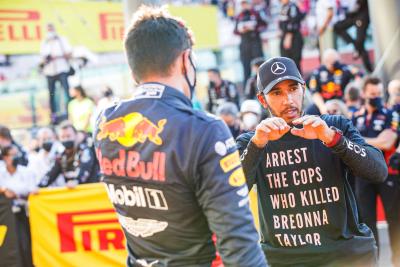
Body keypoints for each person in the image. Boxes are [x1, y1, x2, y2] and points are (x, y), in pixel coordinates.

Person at [94, 6, 266, 267]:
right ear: (187, 60)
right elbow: (238, 243)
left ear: (133, 71)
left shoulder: (105, 122)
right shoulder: (204, 128)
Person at [237, 56, 387, 266]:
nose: (288, 99)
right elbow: (232, 191)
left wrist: (331, 138)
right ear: (262, 100)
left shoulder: (333, 126)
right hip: (285, 259)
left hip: (346, 255)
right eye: (276, 93)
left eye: (293, 88)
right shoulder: (252, 141)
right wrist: (256, 145)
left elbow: (378, 170)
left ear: (304, 89)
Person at [352, 77, 400, 266]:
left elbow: (387, 142)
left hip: (388, 174)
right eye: (373, 94)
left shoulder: (391, 114)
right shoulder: (355, 116)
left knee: (395, 221)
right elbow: (349, 143)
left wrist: (359, 141)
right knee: (367, 223)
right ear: (364, 94)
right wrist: (374, 140)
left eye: (379, 94)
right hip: (362, 176)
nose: (376, 97)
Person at [0, 145, 36, 267]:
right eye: (12, 155)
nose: (15, 158)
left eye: (17, 154)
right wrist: (4, 190)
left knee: (25, 243)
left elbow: (33, 191)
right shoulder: (1, 173)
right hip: (6, 216)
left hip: (24, 213)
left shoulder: (26, 172)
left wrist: (18, 195)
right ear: (5, 157)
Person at [38, 121, 99, 188]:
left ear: (76, 135)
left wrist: (76, 181)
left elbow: (84, 171)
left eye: (68, 136)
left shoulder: (85, 150)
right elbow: (51, 174)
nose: (66, 139)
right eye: (63, 137)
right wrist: (39, 186)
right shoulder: (61, 156)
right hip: (75, 195)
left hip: (91, 193)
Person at [306, 48, 362, 115]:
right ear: (324, 61)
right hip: (324, 102)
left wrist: (356, 85)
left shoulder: (344, 68)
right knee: (308, 112)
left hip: (342, 102)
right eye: (329, 61)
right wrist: (322, 107)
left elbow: (359, 74)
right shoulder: (317, 72)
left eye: (334, 61)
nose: (331, 63)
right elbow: (314, 92)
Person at [40, 23, 73, 124]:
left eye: (51, 29)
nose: (50, 31)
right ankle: (53, 117)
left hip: (61, 69)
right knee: (52, 95)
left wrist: (59, 56)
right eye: (48, 29)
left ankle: (70, 114)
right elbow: (42, 58)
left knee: (67, 93)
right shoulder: (44, 42)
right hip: (49, 72)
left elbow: (69, 53)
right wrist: (47, 59)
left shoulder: (62, 40)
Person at [334, 0, 372, 72]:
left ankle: (369, 69)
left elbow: (358, 5)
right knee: (337, 27)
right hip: (353, 16)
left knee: (360, 42)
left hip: (362, 16)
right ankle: (356, 46)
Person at [234, 0, 266, 84]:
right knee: (246, 68)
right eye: (243, 4)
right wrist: (242, 30)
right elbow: (235, 31)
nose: (245, 6)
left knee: (260, 66)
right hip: (245, 44)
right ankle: (247, 90)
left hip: (255, 43)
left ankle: (264, 84)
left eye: (246, 3)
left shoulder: (256, 13)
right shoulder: (239, 16)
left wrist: (254, 28)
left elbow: (264, 24)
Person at [278, 0, 304, 73]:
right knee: (285, 61)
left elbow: (293, 22)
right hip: (285, 35)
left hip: (293, 36)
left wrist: (289, 35)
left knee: (294, 62)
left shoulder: (292, 6)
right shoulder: (283, 7)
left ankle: (297, 81)